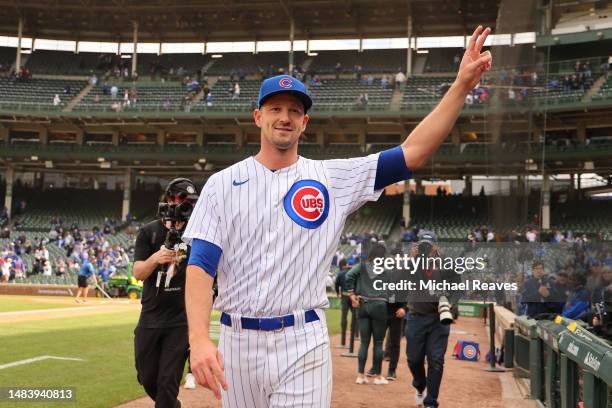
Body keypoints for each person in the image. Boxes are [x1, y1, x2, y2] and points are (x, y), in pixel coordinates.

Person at [183, 25, 492, 407]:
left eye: (294, 111)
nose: (285, 117)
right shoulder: (221, 184)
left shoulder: (331, 178)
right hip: (237, 341)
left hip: (302, 340)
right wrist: (198, 338)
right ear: (257, 117)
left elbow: (413, 153)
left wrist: (461, 84)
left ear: (305, 123)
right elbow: (200, 264)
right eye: (275, 109)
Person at [133, 178, 199, 408]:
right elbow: (138, 273)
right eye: (180, 198)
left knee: (167, 382)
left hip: (180, 321)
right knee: (147, 377)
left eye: (189, 200)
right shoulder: (149, 232)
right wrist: (156, 258)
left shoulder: (197, 233)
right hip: (150, 317)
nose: (183, 204)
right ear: (168, 198)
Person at [404, 230, 462, 408]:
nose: (426, 248)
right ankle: (420, 385)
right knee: (413, 359)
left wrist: (450, 304)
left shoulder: (447, 264)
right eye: (422, 244)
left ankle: (431, 402)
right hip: (416, 317)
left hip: (439, 320)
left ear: (436, 246)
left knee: (436, 360)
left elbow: (458, 288)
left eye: (429, 244)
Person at [345, 243, 390, 385]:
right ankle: (377, 377)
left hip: (363, 304)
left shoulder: (362, 265)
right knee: (378, 343)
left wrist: (352, 293)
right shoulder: (387, 269)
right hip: (380, 306)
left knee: (364, 342)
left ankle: (360, 375)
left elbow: (349, 275)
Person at [334, 259, 352, 347]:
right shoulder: (352, 271)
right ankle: (351, 343)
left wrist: (337, 293)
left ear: (341, 266)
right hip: (353, 297)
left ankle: (343, 342)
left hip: (344, 297)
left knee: (344, 319)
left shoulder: (340, 274)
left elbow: (336, 284)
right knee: (355, 318)